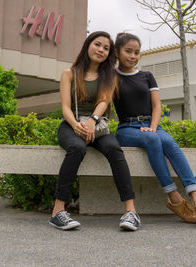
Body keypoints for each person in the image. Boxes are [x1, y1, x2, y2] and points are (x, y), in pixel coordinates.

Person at [113, 32, 196, 230]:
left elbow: (156, 107)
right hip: (127, 128)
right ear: (117, 52)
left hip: (152, 125)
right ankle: (174, 197)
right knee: (153, 141)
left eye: (137, 52)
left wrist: (152, 127)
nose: (133, 56)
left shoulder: (147, 76)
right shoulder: (111, 77)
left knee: (169, 142)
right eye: (128, 51)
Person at [50, 31, 141, 231]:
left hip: (97, 126)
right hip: (71, 124)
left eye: (106, 48)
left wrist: (92, 121)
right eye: (97, 44)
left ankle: (131, 212)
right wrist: (76, 125)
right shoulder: (69, 73)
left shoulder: (109, 76)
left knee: (115, 150)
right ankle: (58, 211)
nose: (101, 50)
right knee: (77, 148)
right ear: (88, 45)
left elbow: (104, 101)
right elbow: (65, 106)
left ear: (109, 54)